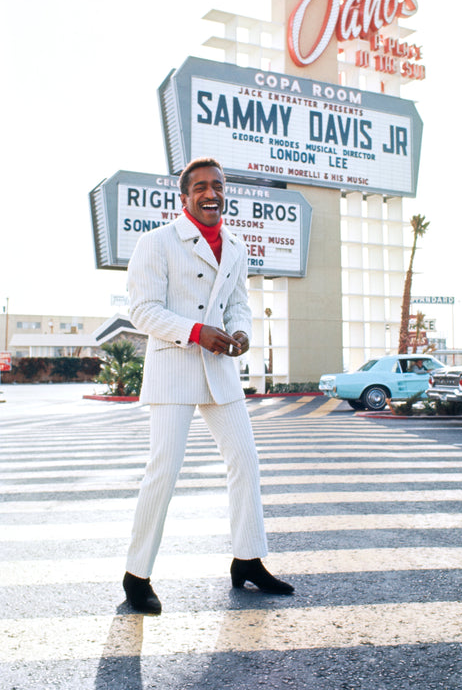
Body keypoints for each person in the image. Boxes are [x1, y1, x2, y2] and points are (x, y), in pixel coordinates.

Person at [122, 157, 294, 614]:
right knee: (164, 470)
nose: (210, 193)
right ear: (185, 197)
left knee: (245, 461)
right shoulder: (156, 242)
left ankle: (248, 560)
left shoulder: (235, 246)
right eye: (200, 187)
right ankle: (136, 575)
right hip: (174, 367)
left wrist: (240, 335)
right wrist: (198, 331)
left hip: (220, 371)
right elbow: (142, 310)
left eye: (216, 185)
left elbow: (239, 305)